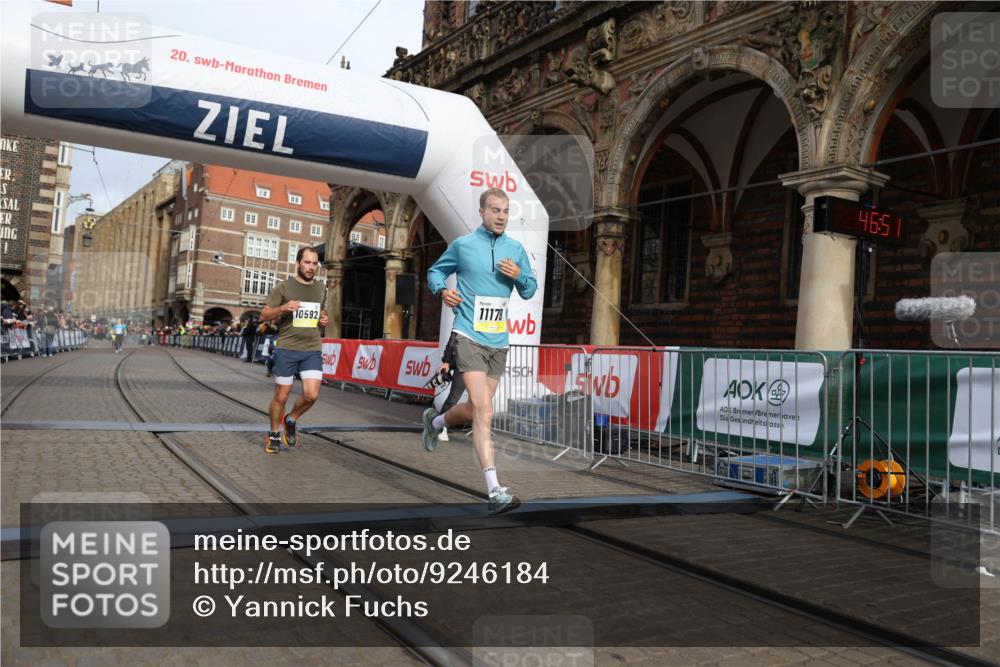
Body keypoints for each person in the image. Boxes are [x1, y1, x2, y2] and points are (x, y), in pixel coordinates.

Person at [421, 187, 537, 515]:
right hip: (467, 335)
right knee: (485, 410)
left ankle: (437, 421)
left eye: (505, 210)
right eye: (495, 210)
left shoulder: (515, 249)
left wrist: (520, 277)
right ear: (482, 212)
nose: (501, 216)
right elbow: (435, 271)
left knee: (474, 410)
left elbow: (530, 290)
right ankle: (494, 489)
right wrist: (442, 290)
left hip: (498, 343)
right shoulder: (463, 246)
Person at [259, 247, 328, 454]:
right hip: (287, 348)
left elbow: (321, 314)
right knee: (281, 396)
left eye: (315, 263)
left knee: (312, 395)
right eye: (307, 262)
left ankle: (291, 419)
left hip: (312, 348)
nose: (311, 267)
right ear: (297, 263)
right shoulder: (284, 288)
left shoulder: (321, 289)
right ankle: (273, 433)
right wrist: (283, 308)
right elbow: (264, 314)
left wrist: (323, 320)